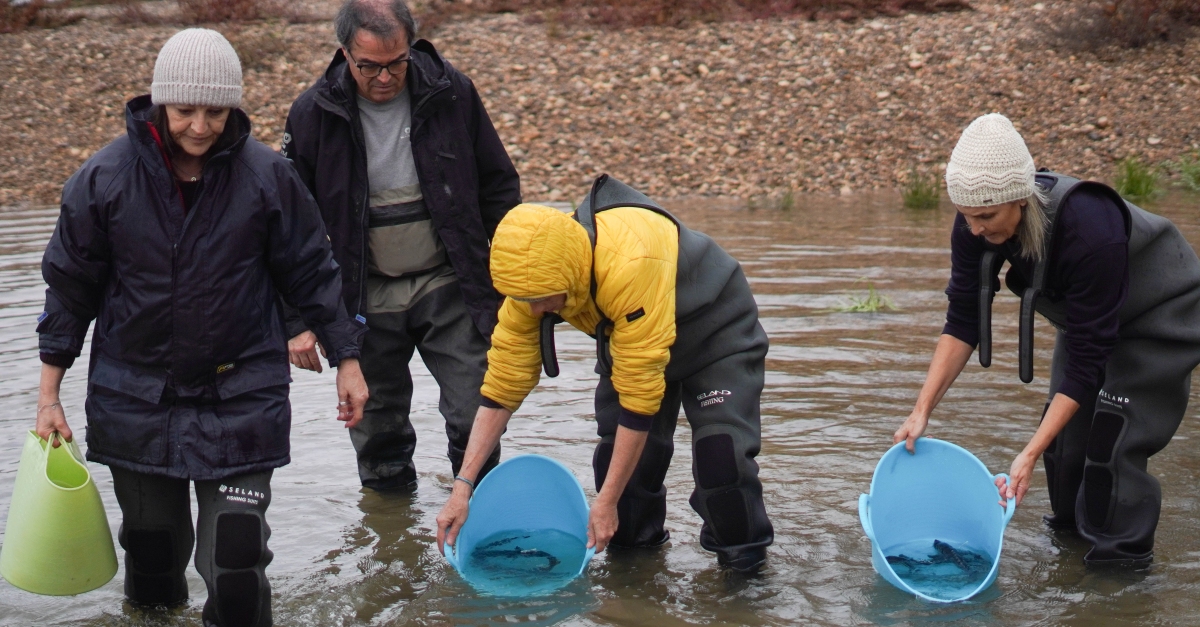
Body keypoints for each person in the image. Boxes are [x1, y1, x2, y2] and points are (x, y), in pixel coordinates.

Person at [34, 29, 369, 627]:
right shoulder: (103, 179)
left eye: (215, 111)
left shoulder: (269, 176)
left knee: (237, 561)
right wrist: (48, 396)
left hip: (242, 398)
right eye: (186, 109)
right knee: (154, 565)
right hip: (134, 399)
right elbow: (69, 291)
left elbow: (314, 275)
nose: (199, 125)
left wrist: (348, 358)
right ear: (161, 102)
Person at [894, 113, 1200, 567]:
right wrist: (920, 413)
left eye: (985, 216)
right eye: (965, 216)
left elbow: (1088, 360)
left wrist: (1026, 453)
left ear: (1019, 197)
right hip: (1088, 324)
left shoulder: (1090, 228)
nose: (975, 229)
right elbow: (962, 321)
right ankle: (1071, 559)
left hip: (1159, 319)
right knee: (1064, 450)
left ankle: (1118, 585)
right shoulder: (974, 221)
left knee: (1108, 449)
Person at [435, 175, 775, 572]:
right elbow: (502, 388)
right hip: (632, 340)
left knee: (722, 460)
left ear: (571, 273)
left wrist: (605, 502)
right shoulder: (530, 285)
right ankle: (635, 581)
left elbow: (639, 398)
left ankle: (746, 577)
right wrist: (463, 488)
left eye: (542, 299)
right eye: (523, 300)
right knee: (621, 485)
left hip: (715, 334)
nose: (532, 311)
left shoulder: (629, 263)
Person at [281, 0, 520, 491]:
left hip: (450, 281)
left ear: (410, 46)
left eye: (397, 62)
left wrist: (517, 278)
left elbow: (500, 188)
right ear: (346, 54)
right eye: (370, 66)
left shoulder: (452, 91)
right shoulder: (311, 114)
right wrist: (296, 321)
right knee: (376, 428)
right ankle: (391, 539)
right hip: (364, 294)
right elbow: (286, 228)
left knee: (476, 406)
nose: (386, 77)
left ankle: (478, 511)